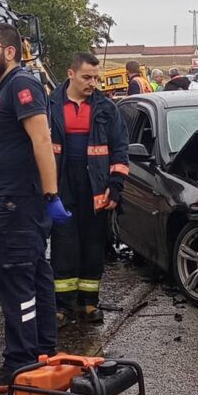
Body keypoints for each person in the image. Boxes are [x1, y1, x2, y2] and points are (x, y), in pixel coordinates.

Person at [0, 22, 68, 385]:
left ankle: (21, 361)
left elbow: (42, 141)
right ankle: (44, 352)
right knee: (36, 277)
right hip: (15, 202)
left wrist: (51, 195)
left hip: (18, 204)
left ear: (10, 51)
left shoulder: (21, 85)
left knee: (17, 283)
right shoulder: (4, 88)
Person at [49, 53, 129, 327]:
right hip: (62, 185)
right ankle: (62, 306)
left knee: (93, 246)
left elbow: (120, 150)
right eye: (87, 77)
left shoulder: (107, 109)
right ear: (70, 74)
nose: (92, 83)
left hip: (95, 187)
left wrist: (115, 187)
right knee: (63, 245)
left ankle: (89, 303)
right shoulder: (50, 106)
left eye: (96, 77)